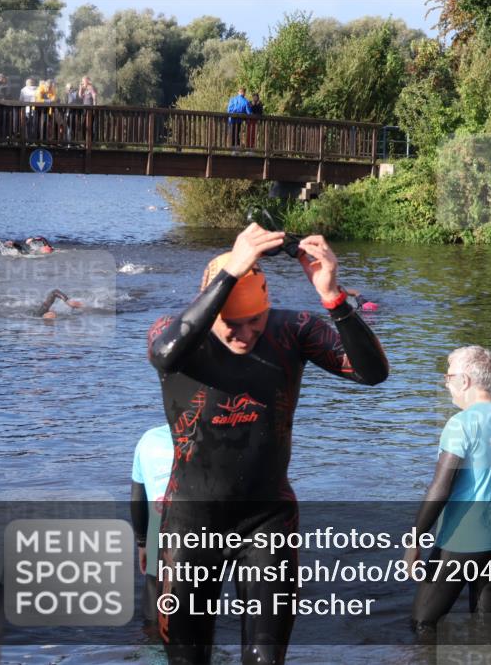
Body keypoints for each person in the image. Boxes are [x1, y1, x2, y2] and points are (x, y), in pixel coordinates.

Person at [147, 223, 388, 665]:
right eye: (231, 325)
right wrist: (232, 269)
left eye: (254, 321)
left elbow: (372, 373)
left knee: (263, 658)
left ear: (268, 308)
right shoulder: (175, 335)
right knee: (187, 657)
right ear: (209, 310)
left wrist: (332, 296)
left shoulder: (292, 330)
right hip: (190, 521)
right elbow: (164, 354)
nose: (243, 334)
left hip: (266, 519)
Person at [404, 345, 491, 638]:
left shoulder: (460, 424)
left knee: (423, 624)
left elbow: (441, 487)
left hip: (460, 540)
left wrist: (415, 539)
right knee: (486, 629)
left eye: (448, 375)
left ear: (464, 381)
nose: (446, 383)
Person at [130, 424, 175, 628]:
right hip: (200, 537)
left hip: (157, 536)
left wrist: (141, 542)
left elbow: (137, 498)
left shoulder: (148, 439)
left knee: (153, 614)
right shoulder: (213, 437)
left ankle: (152, 652)